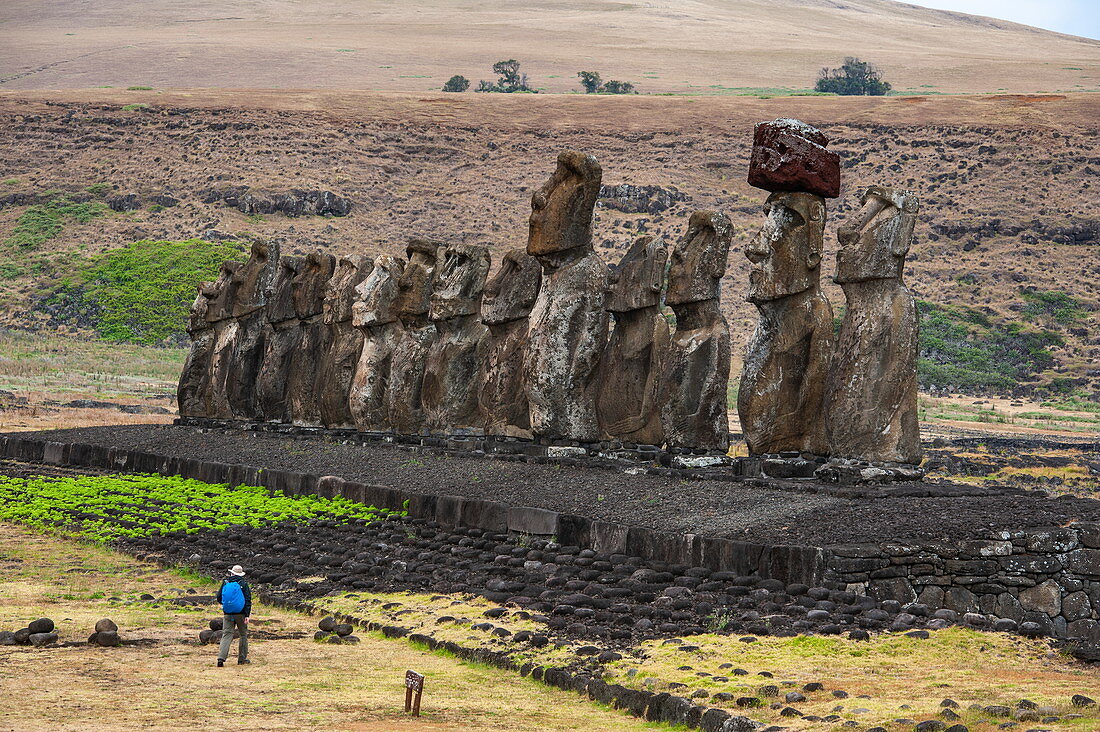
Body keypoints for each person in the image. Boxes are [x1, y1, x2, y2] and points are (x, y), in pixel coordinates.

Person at [215, 564, 252, 666]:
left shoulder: (226, 582)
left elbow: (219, 597)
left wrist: (227, 605)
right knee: (243, 635)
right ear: (241, 574)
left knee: (226, 635)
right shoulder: (243, 584)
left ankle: (221, 658)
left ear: (231, 573)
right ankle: (242, 659)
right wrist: (247, 615)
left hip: (227, 613)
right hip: (240, 613)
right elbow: (248, 600)